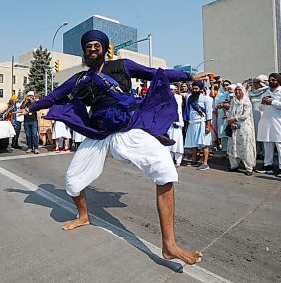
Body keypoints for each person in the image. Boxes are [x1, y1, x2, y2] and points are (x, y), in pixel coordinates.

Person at [20, 30, 207, 265]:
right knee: (73, 181)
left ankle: (169, 245)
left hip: (128, 130)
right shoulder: (79, 79)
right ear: (84, 51)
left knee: (165, 169)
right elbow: (55, 96)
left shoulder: (123, 66)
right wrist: (31, 108)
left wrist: (188, 77)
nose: (92, 49)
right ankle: (84, 216)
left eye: (97, 45)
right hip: (99, 134)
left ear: (105, 48)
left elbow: (155, 74)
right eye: (88, 46)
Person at [255, 73, 281, 178]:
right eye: (270, 80)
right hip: (266, 123)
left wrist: (273, 102)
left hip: (278, 123)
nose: (271, 81)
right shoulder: (265, 92)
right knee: (267, 145)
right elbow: (260, 108)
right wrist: (262, 103)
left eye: (274, 80)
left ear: (279, 81)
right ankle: (268, 166)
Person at [226, 83, 256, 176]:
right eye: (236, 90)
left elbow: (246, 115)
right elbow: (230, 113)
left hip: (244, 127)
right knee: (233, 146)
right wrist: (231, 122)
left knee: (245, 146)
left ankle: (248, 167)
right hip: (234, 127)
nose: (238, 92)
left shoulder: (246, 101)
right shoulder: (234, 101)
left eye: (240, 90)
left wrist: (235, 119)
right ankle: (234, 165)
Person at [184, 81, 213, 171]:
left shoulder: (206, 99)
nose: (194, 90)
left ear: (201, 89)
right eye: (193, 88)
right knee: (193, 144)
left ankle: (205, 163)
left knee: (204, 144)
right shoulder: (189, 98)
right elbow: (188, 111)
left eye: (196, 88)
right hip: (192, 123)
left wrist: (208, 126)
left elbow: (209, 113)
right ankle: (194, 161)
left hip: (202, 123)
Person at [248, 75, 269, 159]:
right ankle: (256, 152)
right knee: (255, 134)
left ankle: (265, 154)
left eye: (257, 82)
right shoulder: (251, 92)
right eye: (254, 82)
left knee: (263, 134)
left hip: (263, 116)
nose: (255, 84)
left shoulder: (266, 91)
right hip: (253, 116)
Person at [167, 85, 184, 167]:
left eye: (173, 90)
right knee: (169, 142)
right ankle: (170, 160)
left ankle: (178, 161)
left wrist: (176, 122)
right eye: (170, 90)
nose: (171, 91)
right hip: (168, 122)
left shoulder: (179, 97)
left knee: (178, 143)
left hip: (177, 122)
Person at [214, 80, 231, 151]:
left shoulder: (233, 93)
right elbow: (216, 105)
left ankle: (231, 150)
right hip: (221, 116)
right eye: (224, 85)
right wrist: (222, 105)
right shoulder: (219, 95)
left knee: (230, 133)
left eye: (227, 85)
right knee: (223, 132)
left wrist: (227, 105)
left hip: (231, 115)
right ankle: (224, 150)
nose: (225, 87)